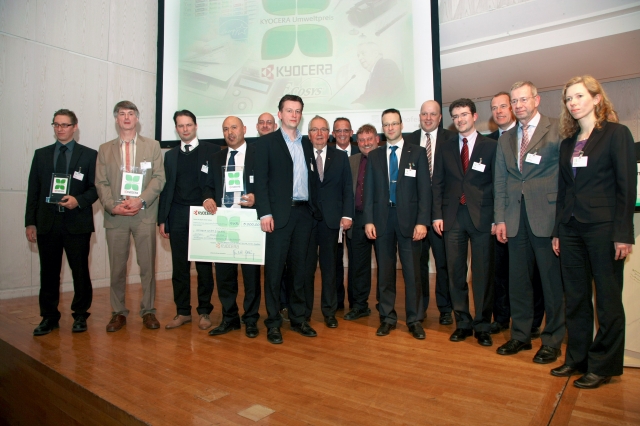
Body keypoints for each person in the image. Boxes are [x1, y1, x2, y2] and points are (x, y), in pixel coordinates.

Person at [551, 75, 635, 389]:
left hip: (603, 228)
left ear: (597, 98)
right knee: (575, 297)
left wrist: (624, 233)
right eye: (568, 99)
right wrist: (558, 230)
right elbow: (563, 191)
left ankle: (603, 365)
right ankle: (577, 358)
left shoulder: (616, 134)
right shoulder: (567, 143)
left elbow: (627, 187)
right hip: (571, 228)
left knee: (608, 300)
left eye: (578, 96)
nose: (573, 103)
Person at [494, 82, 565, 364]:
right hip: (514, 218)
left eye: (524, 99)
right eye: (514, 101)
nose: (518, 105)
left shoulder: (558, 129)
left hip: (546, 216)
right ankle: (521, 335)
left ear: (536, 100)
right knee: (519, 282)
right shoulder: (505, 138)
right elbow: (501, 180)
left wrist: (561, 221)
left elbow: (566, 178)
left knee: (551, 283)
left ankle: (553, 340)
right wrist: (500, 218)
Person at [254, 94, 321, 344]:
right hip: (278, 216)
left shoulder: (306, 144)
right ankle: (272, 322)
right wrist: (265, 213)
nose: (294, 115)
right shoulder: (266, 143)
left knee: (300, 271)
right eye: (289, 110)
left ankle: (298, 318)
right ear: (279, 114)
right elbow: (261, 181)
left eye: (298, 111)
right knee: (273, 272)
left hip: (304, 214)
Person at [25, 109, 98, 335]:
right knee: (48, 273)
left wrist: (78, 200)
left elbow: (96, 189)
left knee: (80, 272)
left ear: (75, 127)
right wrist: (30, 223)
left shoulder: (89, 155)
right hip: (47, 223)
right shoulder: (41, 155)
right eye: (56, 125)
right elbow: (33, 191)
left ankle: (80, 315)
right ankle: (49, 317)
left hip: (77, 222)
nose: (60, 129)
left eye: (65, 125)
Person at [95, 101, 166, 332]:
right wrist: (111, 207)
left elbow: (158, 178)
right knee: (117, 269)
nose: (127, 117)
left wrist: (140, 199)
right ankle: (118, 312)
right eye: (122, 114)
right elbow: (101, 183)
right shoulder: (105, 149)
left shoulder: (152, 146)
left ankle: (148, 311)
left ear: (137, 118)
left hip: (143, 213)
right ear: (116, 119)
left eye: (131, 113)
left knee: (147, 266)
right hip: (116, 216)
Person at [431, 98, 496, 347]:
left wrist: (497, 218)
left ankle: (482, 325)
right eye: (455, 116)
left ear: (475, 116)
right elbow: (437, 183)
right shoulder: (445, 148)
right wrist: (437, 215)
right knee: (455, 272)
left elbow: (497, 183)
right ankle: (463, 323)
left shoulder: (490, 146)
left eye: (464, 114)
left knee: (482, 274)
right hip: (452, 218)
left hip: (482, 217)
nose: (460, 119)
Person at [364, 109, 430, 339]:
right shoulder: (374, 156)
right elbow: (369, 191)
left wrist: (423, 221)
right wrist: (369, 220)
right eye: (386, 124)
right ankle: (387, 317)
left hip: (410, 222)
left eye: (394, 123)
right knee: (385, 272)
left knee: (412, 273)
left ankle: (414, 319)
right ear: (383, 128)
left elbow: (425, 191)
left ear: (401, 125)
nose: (390, 128)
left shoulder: (418, 153)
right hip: (382, 221)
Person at [487, 92, 545, 339]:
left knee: (539, 277)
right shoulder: (492, 141)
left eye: (504, 105)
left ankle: (536, 324)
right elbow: (496, 183)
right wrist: (497, 218)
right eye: (495, 107)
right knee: (503, 273)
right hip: (504, 218)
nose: (500, 110)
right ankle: (506, 321)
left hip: (539, 217)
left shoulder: (544, 133)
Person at [158, 110, 218, 330]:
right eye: (181, 126)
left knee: (204, 266)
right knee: (180, 267)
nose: (185, 129)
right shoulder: (170, 155)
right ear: (176, 128)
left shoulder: (212, 151)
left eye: (188, 125)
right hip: (177, 214)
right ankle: (182, 311)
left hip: (203, 214)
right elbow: (165, 189)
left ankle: (204, 311)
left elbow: (215, 182)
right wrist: (162, 219)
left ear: (196, 126)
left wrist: (210, 198)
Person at [203, 116, 261, 338]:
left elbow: (267, 185)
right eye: (226, 129)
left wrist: (257, 198)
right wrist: (207, 198)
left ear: (244, 129)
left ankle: (251, 318)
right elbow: (207, 187)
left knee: (251, 275)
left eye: (234, 127)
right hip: (223, 220)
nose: (230, 132)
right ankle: (230, 318)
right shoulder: (216, 157)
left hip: (248, 221)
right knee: (225, 275)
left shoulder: (257, 154)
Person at [303, 116, 353, 328]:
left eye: (323, 129)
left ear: (329, 133)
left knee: (330, 268)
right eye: (315, 130)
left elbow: (347, 189)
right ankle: (303, 312)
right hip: (306, 220)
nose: (320, 133)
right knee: (305, 268)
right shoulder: (301, 156)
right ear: (309, 134)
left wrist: (347, 215)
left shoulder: (340, 157)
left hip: (332, 222)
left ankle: (329, 311)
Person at [407, 100, 454, 326]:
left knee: (443, 262)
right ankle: (420, 307)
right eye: (424, 114)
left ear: (440, 117)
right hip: (416, 216)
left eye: (432, 114)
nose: (428, 118)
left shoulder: (451, 140)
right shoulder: (408, 139)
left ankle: (445, 308)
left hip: (442, 214)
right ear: (419, 116)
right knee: (418, 264)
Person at [344, 124, 378, 321]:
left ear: (376, 139)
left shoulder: (385, 159)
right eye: (362, 140)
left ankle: (385, 304)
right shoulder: (352, 161)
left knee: (385, 265)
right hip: (357, 220)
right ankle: (359, 305)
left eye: (369, 139)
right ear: (357, 142)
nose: (366, 143)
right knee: (359, 266)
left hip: (381, 221)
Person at [330, 117, 359, 311]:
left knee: (357, 262)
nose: (342, 134)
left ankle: (356, 304)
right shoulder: (327, 154)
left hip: (357, 216)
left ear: (351, 132)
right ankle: (337, 302)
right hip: (332, 217)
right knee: (335, 262)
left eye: (345, 130)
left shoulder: (363, 153)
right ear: (333, 134)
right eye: (338, 131)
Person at [353, 42, 405, 108]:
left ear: (375, 54)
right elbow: (366, 95)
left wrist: (361, 105)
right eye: (358, 55)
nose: (360, 58)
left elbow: (381, 92)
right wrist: (353, 105)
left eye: (363, 53)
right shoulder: (371, 78)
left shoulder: (387, 65)